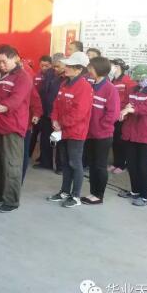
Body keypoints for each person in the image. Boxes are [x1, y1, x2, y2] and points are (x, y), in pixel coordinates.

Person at [0, 44, 32, 213]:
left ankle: (11, 200)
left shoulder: (23, 77)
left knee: (11, 165)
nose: (1, 65)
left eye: (4, 61)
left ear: (14, 59)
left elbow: (14, 102)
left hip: (12, 127)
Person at [47, 51, 93, 208]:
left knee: (75, 163)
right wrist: (54, 120)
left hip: (75, 132)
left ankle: (76, 196)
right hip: (63, 130)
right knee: (65, 162)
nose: (65, 67)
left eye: (70, 66)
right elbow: (56, 104)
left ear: (79, 69)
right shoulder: (65, 83)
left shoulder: (84, 87)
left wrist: (61, 124)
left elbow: (79, 113)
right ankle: (65, 192)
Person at [119, 65, 147, 206]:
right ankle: (135, 191)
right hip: (131, 133)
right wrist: (123, 111)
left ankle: (144, 196)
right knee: (132, 165)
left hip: (146, 134)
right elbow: (125, 104)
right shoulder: (132, 89)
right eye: (136, 80)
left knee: (144, 166)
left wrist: (131, 109)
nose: (138, 82)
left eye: (141, 80)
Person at [81, 57, 120, 204]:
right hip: (89, 132)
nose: (89, 71)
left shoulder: (110, 89)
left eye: (91, 68)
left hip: (102, 135)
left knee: (100, 165)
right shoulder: (91, 85)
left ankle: (99, 195)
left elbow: (113, 114)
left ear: (99, 69)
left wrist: (100, 126)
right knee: (92, 164)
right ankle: (93, 192)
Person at [36, 53, 65, 173]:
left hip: (58, 114)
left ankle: (60, 167)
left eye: (58, 66)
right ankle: (45, 162)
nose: (55, 69)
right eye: (54, 66)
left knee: (60, 141)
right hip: (46, 111)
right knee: (45, 138)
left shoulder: (67, 78)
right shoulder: (49, 73)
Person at [108, 58, 136, 174]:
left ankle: (122, 164)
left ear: (117, 67)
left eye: (111, 66)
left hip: (122, 117)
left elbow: (132, 99)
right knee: (114, 141)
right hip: (113, 115)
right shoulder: (112, 80)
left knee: (121, 141)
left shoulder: (127, 81)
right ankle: (116, 163)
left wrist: (125, 111)